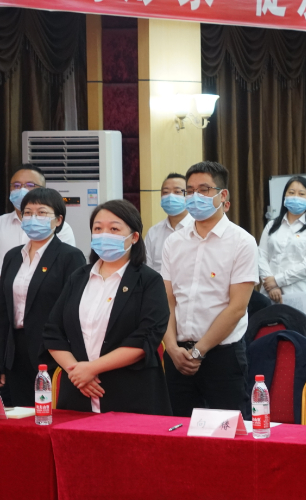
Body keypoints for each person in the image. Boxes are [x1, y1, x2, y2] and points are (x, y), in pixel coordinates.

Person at [44, 200, 171, 414]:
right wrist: (76, 372)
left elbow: (146, 337)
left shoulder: (149, 281)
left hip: (130, 394)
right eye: (98, 229)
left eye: (114, 229)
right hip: (77, 391)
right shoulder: (79, 277)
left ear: (134, 237)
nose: (104, 235)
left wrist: (92, 369)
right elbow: (53, 331)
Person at [161, 161, 258, 418]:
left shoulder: (242, 242)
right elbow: (167, 300)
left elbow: (237, 308)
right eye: (190, 191)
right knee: (176, 431)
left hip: (222, 356)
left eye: (204, 190)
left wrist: (198, 351)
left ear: (222, 195)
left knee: (226, 432)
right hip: (178, 355)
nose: (195, 197)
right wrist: (171, 348)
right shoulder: (174, 242)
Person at [0, 188, 85, 406]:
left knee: (50, 414)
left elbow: (73, 311)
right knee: (19, 415)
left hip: (51, 351)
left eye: (41, 212)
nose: (33, 218)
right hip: (14, 351)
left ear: (58, 220)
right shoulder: (12, 256)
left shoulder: (70, 256)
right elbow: (3, 311)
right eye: (28, 213)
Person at [257, 176, 306, 316]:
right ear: (284, 197)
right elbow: (261, 256)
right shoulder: (272, 225)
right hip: (269, 295)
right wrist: (271, 286)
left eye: (301, 194)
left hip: (300, 296)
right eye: (291, 193)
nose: (295, 197)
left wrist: (277, 281)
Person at [1, 165, 77, 275]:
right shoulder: (1, 223)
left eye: (30, 185)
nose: (22, 190)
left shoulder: (59, 227)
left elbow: (65, 268)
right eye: (16, 185)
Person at [144, 173, 194, 274]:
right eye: (165, 192)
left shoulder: (198, 228)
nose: (170, 197)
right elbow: (147, 269)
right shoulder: (153, 232)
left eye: (177, 192)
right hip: (158, 283)